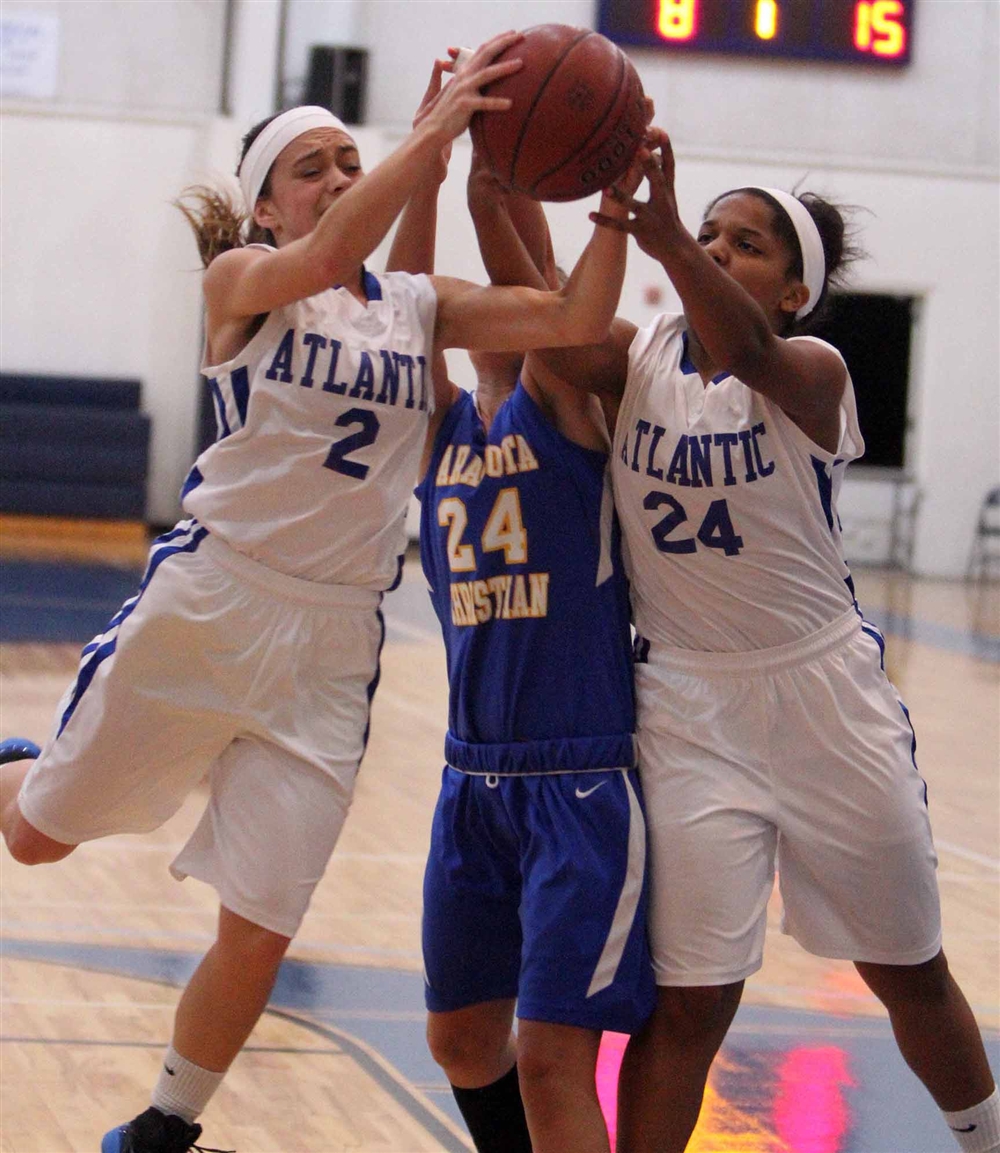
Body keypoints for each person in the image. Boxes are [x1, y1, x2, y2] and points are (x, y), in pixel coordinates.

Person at [0, 33, 636, 1153]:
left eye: (353, 158)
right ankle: (17, 769)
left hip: (334, 641)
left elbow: (574, 319)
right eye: (315, 167)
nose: (341, 181)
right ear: (266, 210)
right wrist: (427, 143)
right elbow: (343, 244)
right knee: (37, 843)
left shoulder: (415, 304)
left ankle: (165, 1123)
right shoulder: (241, 284)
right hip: (212, 601)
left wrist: (611, 207)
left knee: (261, 925)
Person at [526, 128, 1000, 1153]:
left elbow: (741, 348)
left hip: (823, 696)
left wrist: (666, 241)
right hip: (689, 709)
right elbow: (550, 336)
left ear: (792, 292)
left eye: (747, 243)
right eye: (710, 233)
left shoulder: (811, 368)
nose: (718, 247)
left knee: (906, 969)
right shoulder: (640, 359)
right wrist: (516, 190)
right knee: (691, 1004)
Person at [386, 65, 655, 1152]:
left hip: (577, 783)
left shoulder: (567, 410)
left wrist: (508, 189)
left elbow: (555, 301)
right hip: (469, 781)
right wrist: (431, 167)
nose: (483, 312)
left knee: (551, 1058)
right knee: (459, 1039)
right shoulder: (439, 429)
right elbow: (399, 312)